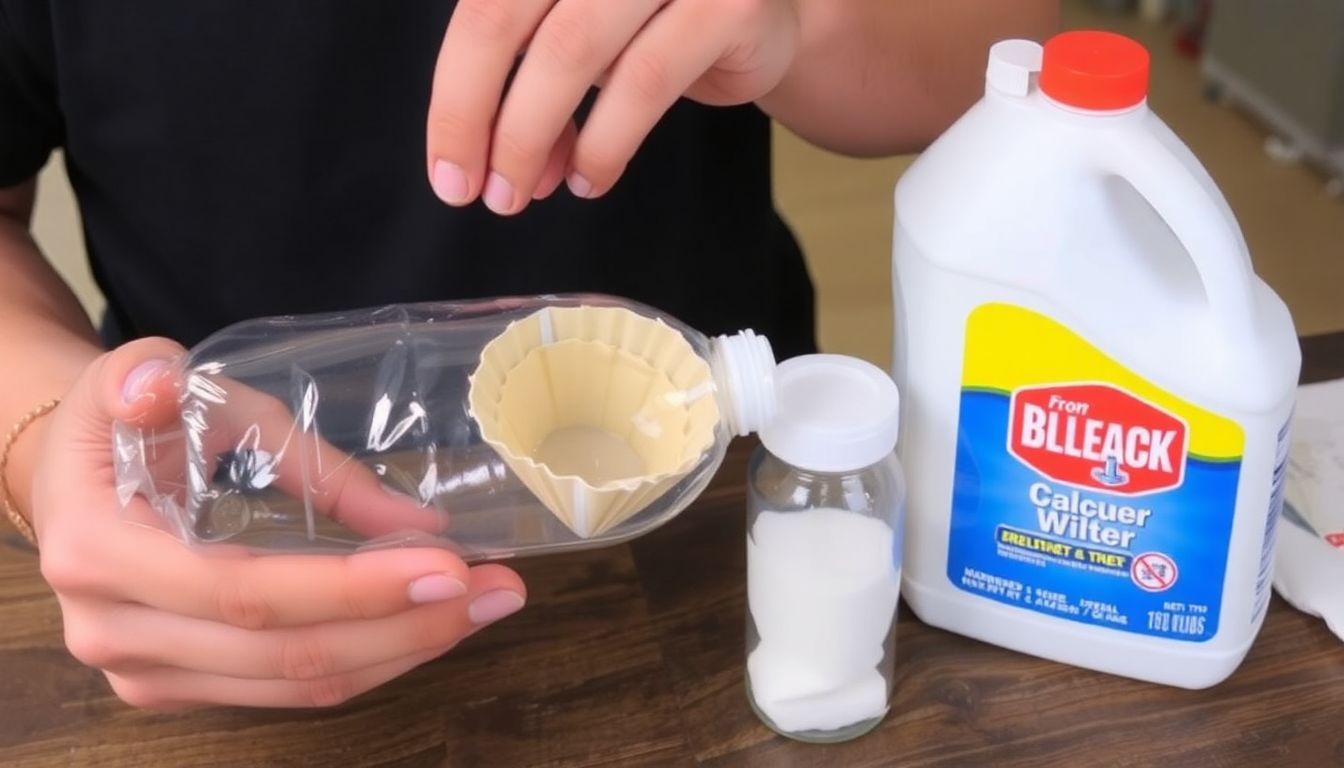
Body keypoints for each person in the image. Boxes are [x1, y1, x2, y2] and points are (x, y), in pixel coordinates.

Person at [0, 1, 1058, 710]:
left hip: (705, 523)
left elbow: (1008, 40)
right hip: (207, 528)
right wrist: (43, 440)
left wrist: (795, 23)